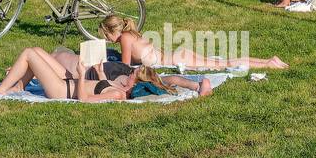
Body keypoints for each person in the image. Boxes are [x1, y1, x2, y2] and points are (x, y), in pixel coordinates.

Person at [100, 16, 287, 69]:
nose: (107, 39)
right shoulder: (131, 33)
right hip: (178, 54)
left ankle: (269, 64)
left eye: (105, 35)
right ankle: (269, 60)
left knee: (224, 65)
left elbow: (125, 65)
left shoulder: (125, 38)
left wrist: (106, 64)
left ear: (111, 30)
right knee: (225, 62)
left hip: (177, 59)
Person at [47, 47, 213, 97]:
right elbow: (167, 80)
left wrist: (85, 73)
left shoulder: (126, 86)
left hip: (90, 71)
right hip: (104, 69)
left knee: (55, 55)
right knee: (162, 80)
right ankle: (197, 85)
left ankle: (197, 85)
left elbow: (86, 98)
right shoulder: (130, 81)